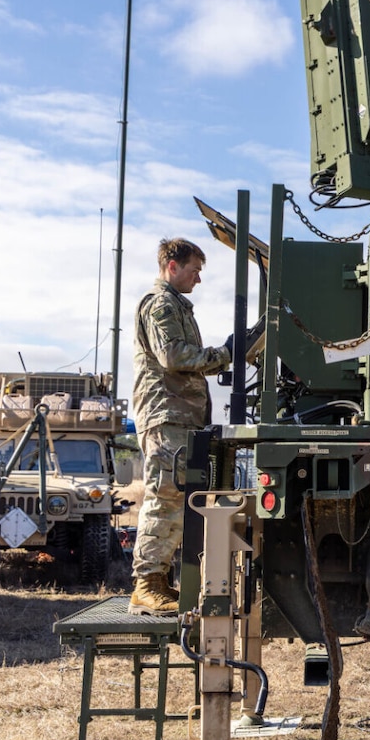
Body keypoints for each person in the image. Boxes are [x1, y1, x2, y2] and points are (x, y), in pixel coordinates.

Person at [128, 238, 234, 615]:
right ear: (172, 266)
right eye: (194, 270)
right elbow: (172, 355)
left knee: (175, 497)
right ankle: (146, 583)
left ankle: (158, 581)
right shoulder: (161, 305)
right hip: (166, 415)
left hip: (179, 416)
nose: (198, 280)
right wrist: (225, 355)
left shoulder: (176, 306)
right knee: (165, 497)